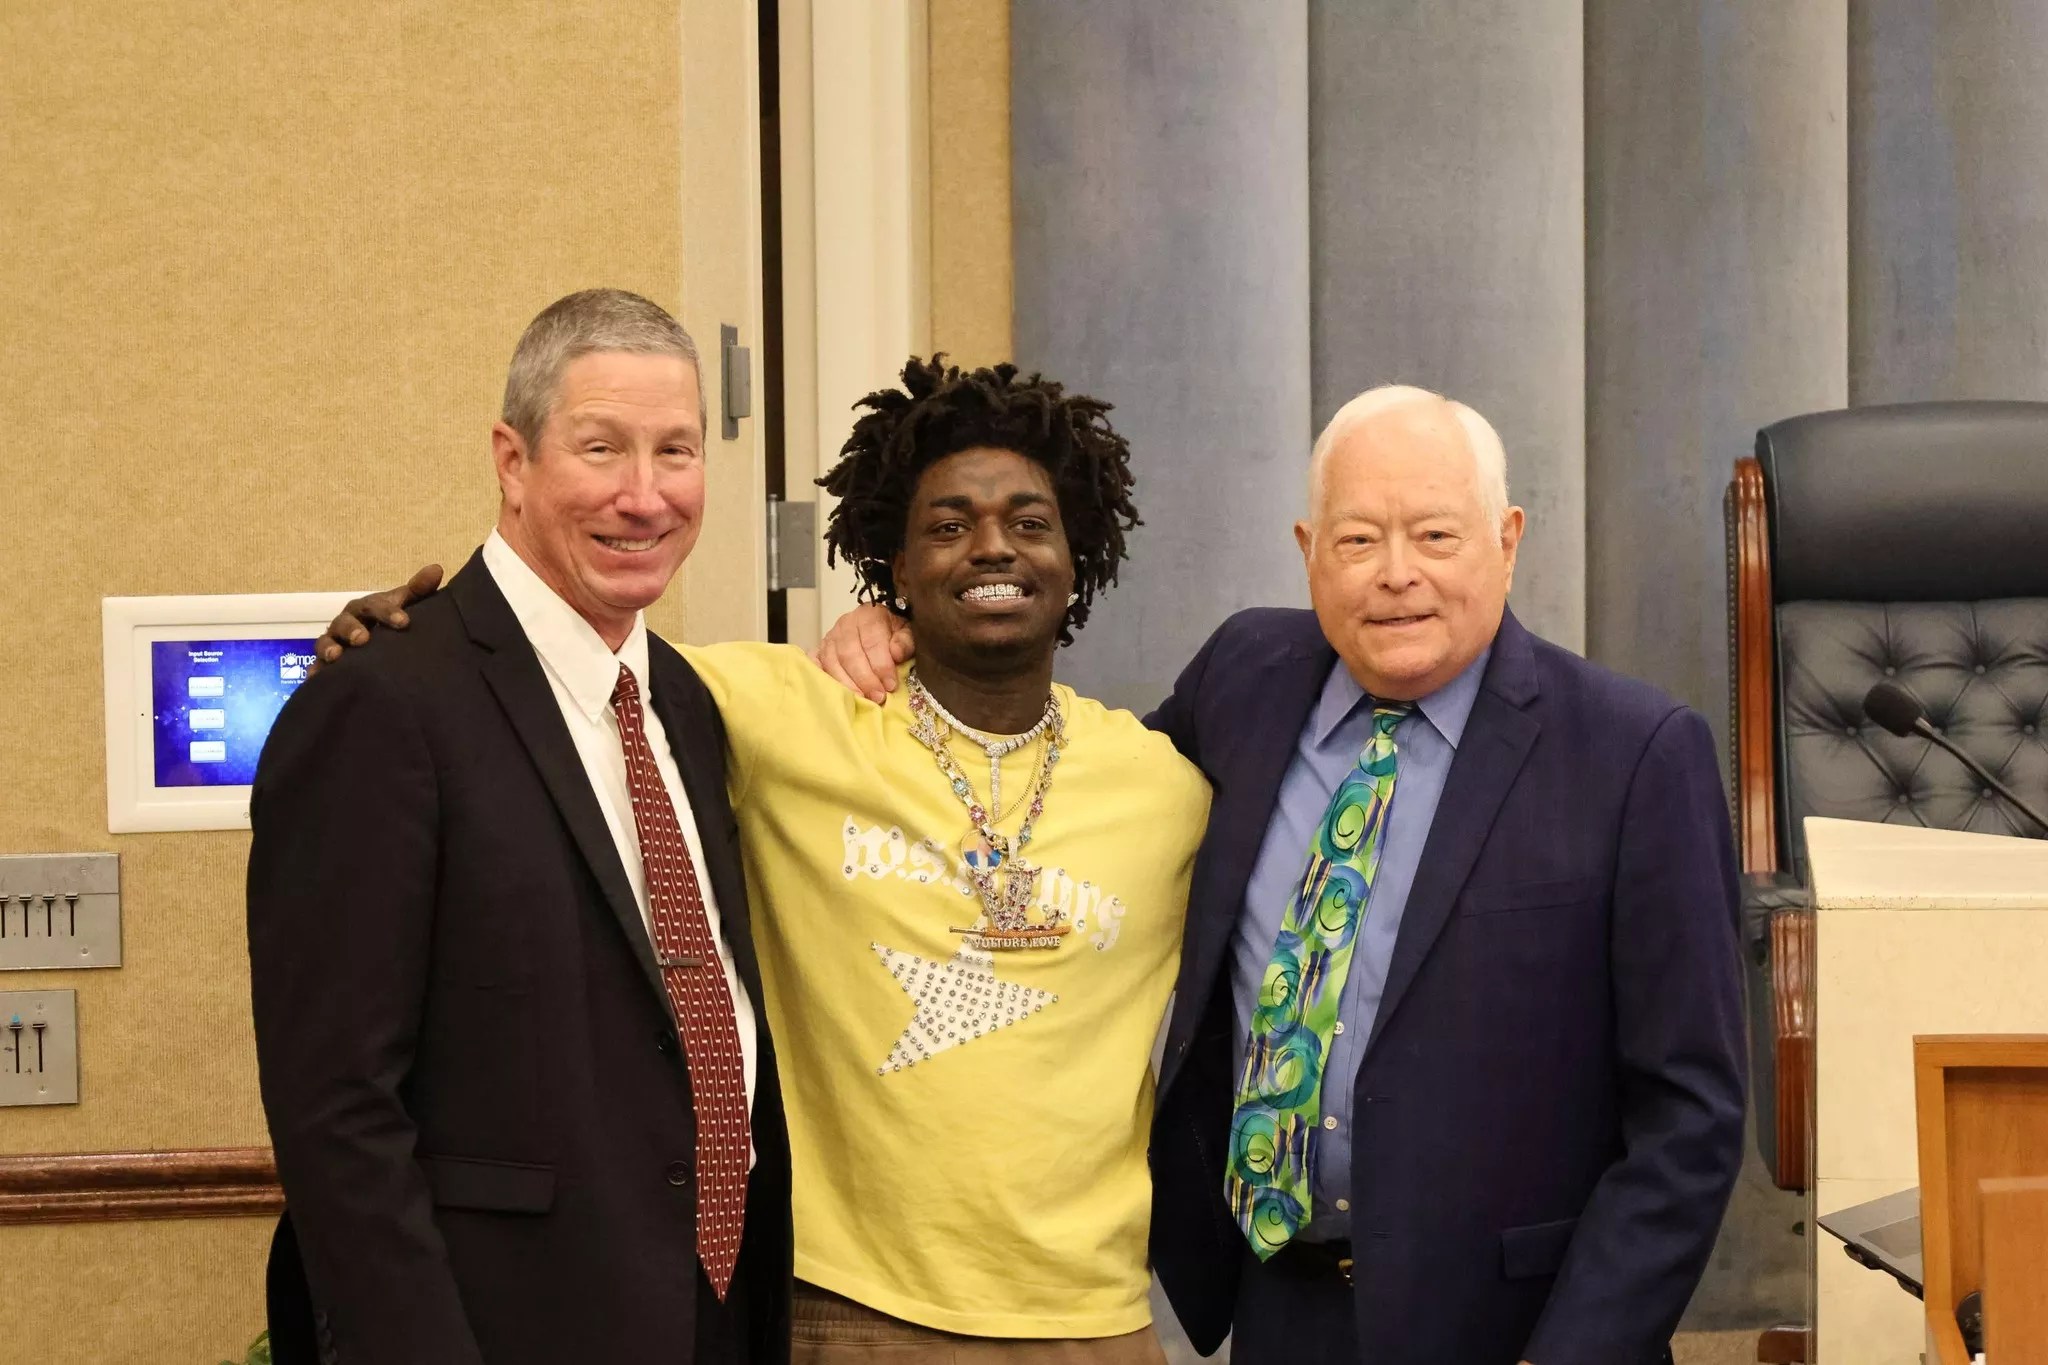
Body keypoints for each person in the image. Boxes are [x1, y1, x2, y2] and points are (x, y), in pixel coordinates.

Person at [816, 385, 1747, 1364]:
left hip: (1512, 1324)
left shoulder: (1634, 754)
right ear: (1307, 548)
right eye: (1356, 542)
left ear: (1505, 539)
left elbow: (1689, 1115)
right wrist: (894, 634)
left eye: (1434, 536)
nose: (1395, 576)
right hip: (1281, 1307)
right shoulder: (1243, 680)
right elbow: (1076, 807)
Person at [314, 357, 1212, 1363]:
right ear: (893, 567)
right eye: (947, 525)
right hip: (842, 1315)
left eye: (1029, 522)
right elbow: (539, 669)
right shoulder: (769, 711)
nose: (990, 546)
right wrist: (392, 637)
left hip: (1091, 1325)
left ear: (1076, 551)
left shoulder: (1170, 791)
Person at [247, 288, 791, 1365]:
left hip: (711, 1312)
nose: (646, 497)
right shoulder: (383, 704)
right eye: (601, 449)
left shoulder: (682, 699)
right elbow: (336, 1109)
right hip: (501, 1328)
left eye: (675, 452)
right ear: (512, 460)